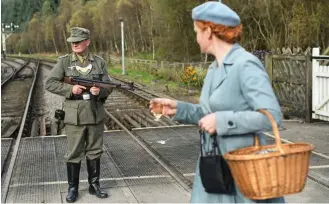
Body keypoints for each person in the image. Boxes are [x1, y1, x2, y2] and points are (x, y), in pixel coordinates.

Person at [150, 1, 285, 203]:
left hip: (244, 172)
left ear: (209, 32)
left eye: (197, 31)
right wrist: (178, 109)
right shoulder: (214, 68)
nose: (196, 38)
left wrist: (222, 121)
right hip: (215, 167)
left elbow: (272, 116)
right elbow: (208, 113)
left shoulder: (245, 64)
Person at [45, 27, 112, 203]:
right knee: (74, 152)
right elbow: (50, 83)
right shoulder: (64, 62)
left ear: (87, 42)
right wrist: (70, 89)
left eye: (78, 40)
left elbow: (109, 86)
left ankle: (94, 185)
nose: (74, 43)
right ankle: (73, 188)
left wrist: (100, 92)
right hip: (74, 117)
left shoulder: (99, 62)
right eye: (72, 41)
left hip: (95, 113)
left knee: (95, 150)